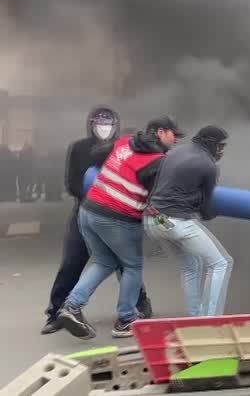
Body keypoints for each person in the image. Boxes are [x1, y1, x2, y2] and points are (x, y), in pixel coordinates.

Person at [57, 116, 182, 340]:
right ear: (161, 132)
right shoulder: (158, 161)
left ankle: (71, 306)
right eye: (175, 135)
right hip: (117, 218)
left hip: (89, 210)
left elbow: (95, 155)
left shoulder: (125, 141)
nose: (176, 140)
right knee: (132, 266)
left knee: (104, 262)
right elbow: (159, 199)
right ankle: (125, 320)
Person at [42, 107, 154, 335]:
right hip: (86, 210)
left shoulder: (123, 146)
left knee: (125, 262)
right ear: (90, 124)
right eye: (99, 122)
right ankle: (56, 312)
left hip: (118, 212)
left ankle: (139, 304)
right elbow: (72, 183)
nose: (104, 127)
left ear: (116, 125)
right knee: (73, 261)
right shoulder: (79, 148)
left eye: (109, 123)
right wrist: (99, 197)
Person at [144, 126, 231, 316]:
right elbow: (206, 212)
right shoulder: (208, 165)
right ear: (211, 144)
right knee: (221, 263)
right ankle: (210, 318)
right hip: (175, 222)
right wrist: (218, 209)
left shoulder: (175, 152)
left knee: (191, 266)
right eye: (221, 146)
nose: (222, 151)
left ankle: (195, 316)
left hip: (155, 220)